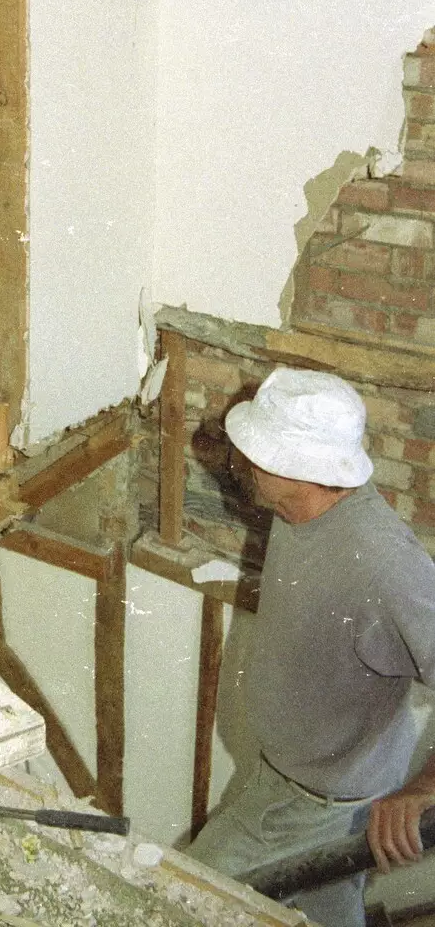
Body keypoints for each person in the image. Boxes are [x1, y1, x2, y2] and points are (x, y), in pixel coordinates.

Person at [187, 366, 435, 927]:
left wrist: (423, 789)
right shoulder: (300, 507)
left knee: (183, 898)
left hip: (312, 808)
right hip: (299, 783)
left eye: (256, 454)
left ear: (297, 468)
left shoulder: (383, 564)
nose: (243, 463)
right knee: (328, 905)